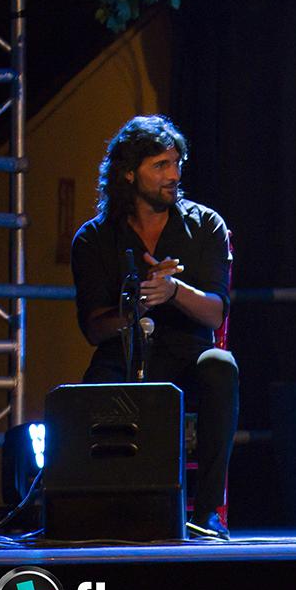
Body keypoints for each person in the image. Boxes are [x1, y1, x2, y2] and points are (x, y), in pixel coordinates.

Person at [69, 115, 238, 539]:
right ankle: (94, 510)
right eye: (161, 165)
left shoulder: (205, 225)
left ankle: (206, 513)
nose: (174, 175)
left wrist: (174, 290)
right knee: (90, 387)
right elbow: (93, 328)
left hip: (187, 355)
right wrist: (136, 303)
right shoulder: (93, 239)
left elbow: (216, 313)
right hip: (125, 353)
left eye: (176, 163)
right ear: (129, 173)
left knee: (221, 365)